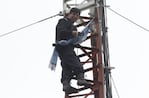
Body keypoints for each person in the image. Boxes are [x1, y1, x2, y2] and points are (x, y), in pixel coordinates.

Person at [55, 7, 91, 94]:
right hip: (64, 46)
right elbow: (61, 33)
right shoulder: (63, 21)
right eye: (74, 15)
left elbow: (75, 38)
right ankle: (80, 79)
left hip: (66, 47)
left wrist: (78, 35)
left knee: (67, 66)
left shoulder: (72, 26)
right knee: (75, 63)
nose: (75, 17)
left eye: (77, 16)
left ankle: (66, 85)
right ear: (70, 14)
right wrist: (72, 33)